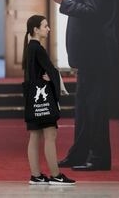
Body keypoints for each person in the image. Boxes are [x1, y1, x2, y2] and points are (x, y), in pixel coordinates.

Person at [51, 0, 116, 171]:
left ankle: (98, 158)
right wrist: (67, 2)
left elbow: (93, 12)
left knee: (95, 108)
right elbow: (90, 8)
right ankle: (79, 154)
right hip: (91, 56)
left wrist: (64, 3)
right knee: (84, 107)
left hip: (96, 55)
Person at [22, 15, 75, 185]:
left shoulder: (29, 48)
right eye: (45, 26)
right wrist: (52, 76)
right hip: (43, 97)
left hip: (32, 98)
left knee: (35, 136)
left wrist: (49, 74)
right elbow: (51, 70)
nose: (48, 29)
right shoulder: (38, 48)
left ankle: (36, 176)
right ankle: (56, 175)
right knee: (50, 134)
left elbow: (35, 73)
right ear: (36, 29)